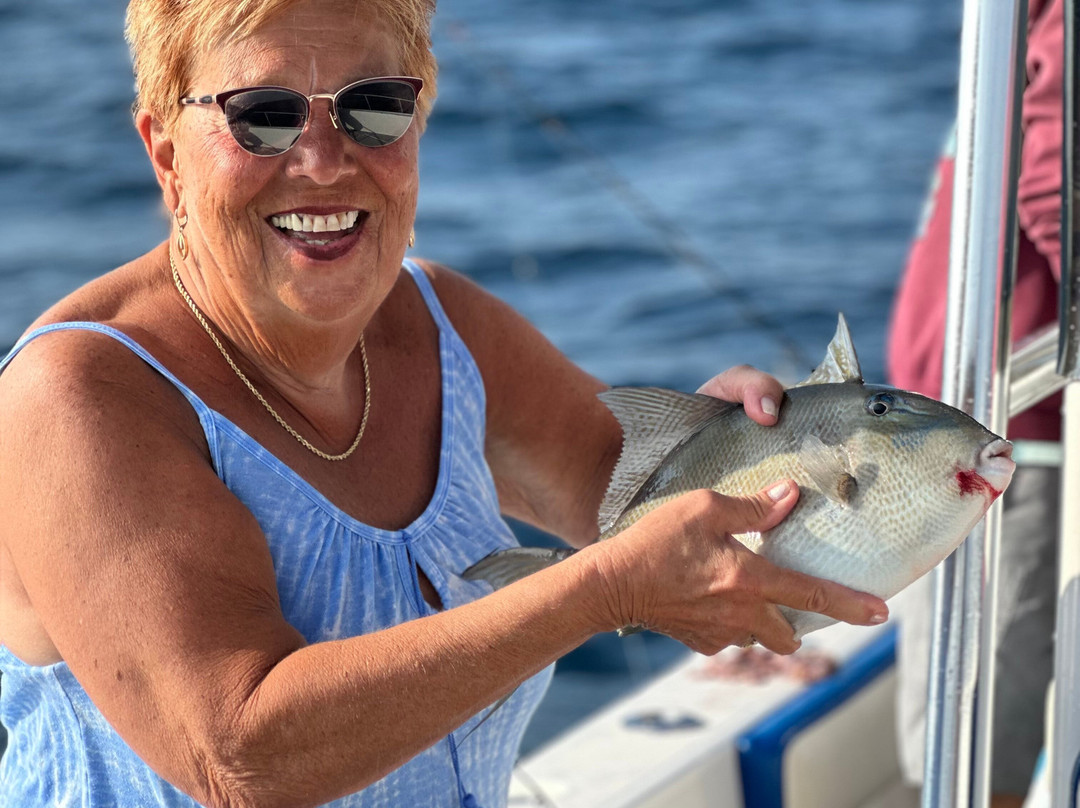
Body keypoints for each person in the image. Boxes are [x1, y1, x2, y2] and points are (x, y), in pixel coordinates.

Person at [0, 1, 890, 806]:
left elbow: (645, 508)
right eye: (262, 118)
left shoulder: (444, 326)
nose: (321, 162)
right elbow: (242, 757)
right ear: (164, 153)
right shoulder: (77, 397)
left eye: (373, 107)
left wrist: (745, 449)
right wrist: (595, 594)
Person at [888, 1, 1063, 805]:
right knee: (979, 741)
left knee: (962, 722)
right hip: (1004, 426)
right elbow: (1055, 176)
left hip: (962, 413)